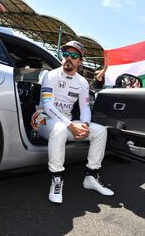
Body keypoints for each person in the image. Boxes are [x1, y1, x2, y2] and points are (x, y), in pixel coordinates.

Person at [32, 40, 114, 204]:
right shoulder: (51, 75)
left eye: (74, 55)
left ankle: (91, 177)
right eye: (66, 54)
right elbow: (48, 106)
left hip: (67, 122)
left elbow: (85, 108)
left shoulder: (82, 82)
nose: (69, 58)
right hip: (43, 120)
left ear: (80, 61)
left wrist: (84, 125)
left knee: (100, 131)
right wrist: (71, 126)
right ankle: (56, 179)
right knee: (60, 129)